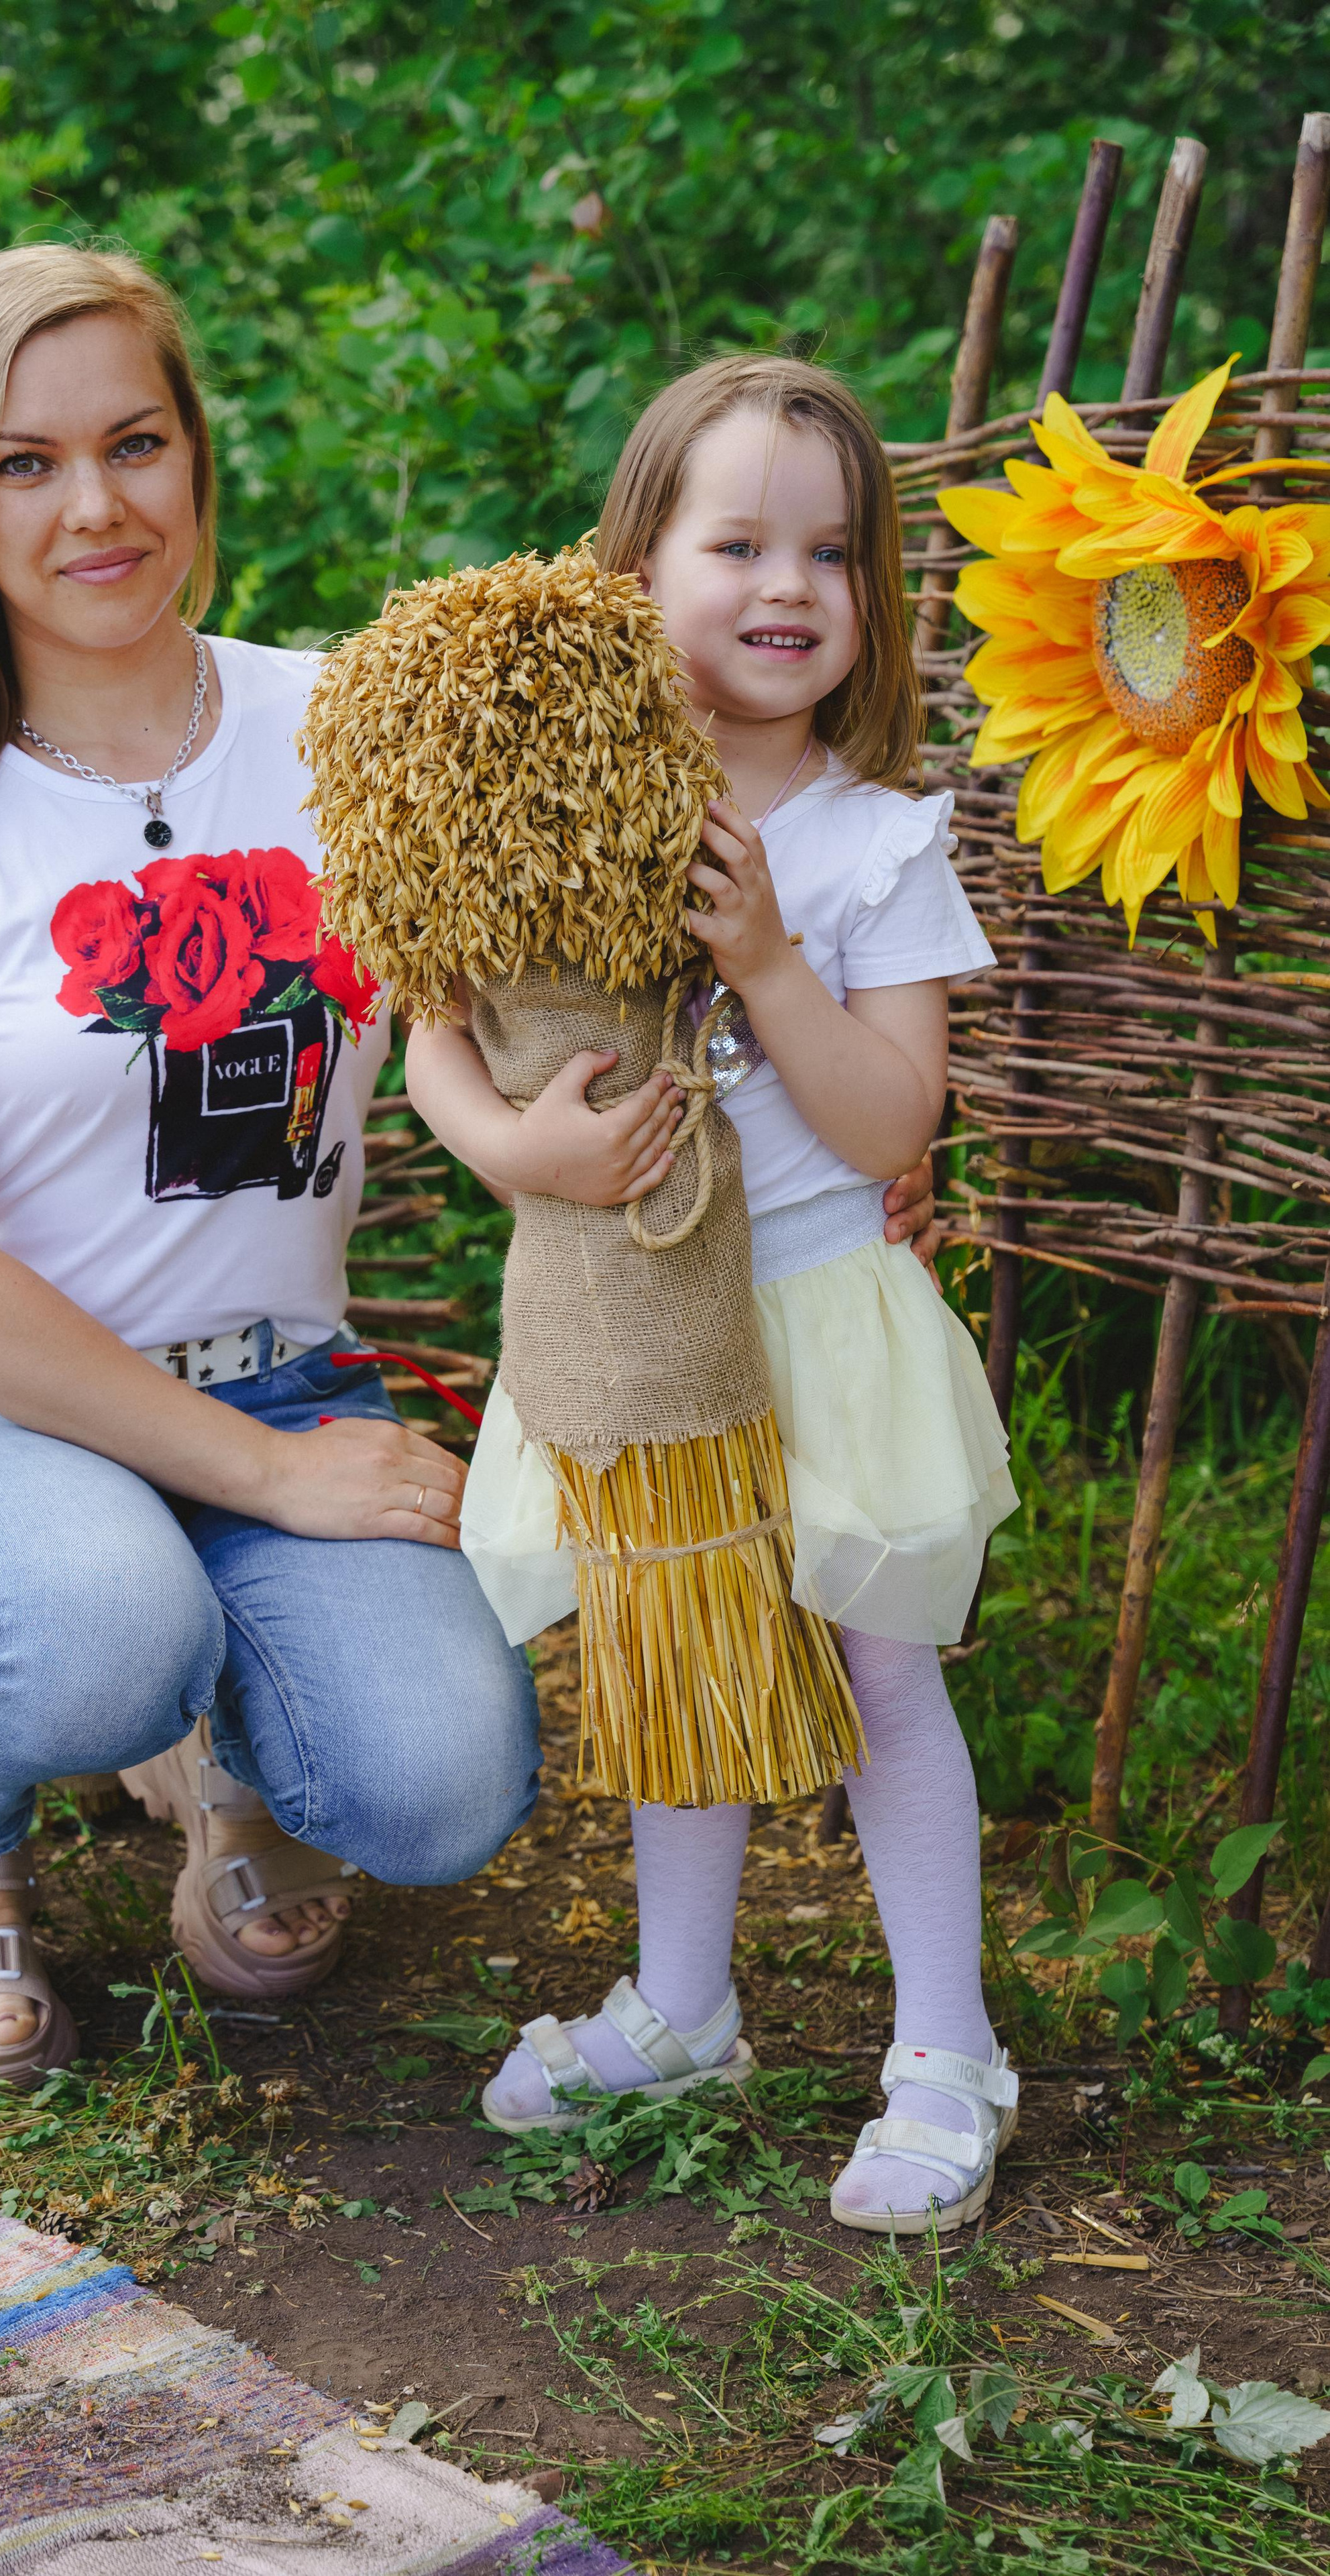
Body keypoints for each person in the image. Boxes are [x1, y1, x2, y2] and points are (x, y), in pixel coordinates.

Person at [0, 244, 554, 2088]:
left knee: (442, 1788)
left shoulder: (342, 727)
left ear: (196, 455)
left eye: (134, 443)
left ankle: (221, 1753)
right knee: (101, 1628)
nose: (96, 505)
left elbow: (513, 999)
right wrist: (276, 1485)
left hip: (278, 1372)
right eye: (25, 463)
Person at [405, 355, 1021, 2235]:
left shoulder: (871, 839)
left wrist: (763, 956)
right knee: (673, 1654)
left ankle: (948, 2047)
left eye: (831, 550)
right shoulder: (553, 804)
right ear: (634, 566)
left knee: (874, 1671)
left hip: (817, 1314)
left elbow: (894, 1111)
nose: (788, 584)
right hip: (632, 1316)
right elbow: (427, 1020)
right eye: (737, 539)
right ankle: (685, 2007)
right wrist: (509, 1152)